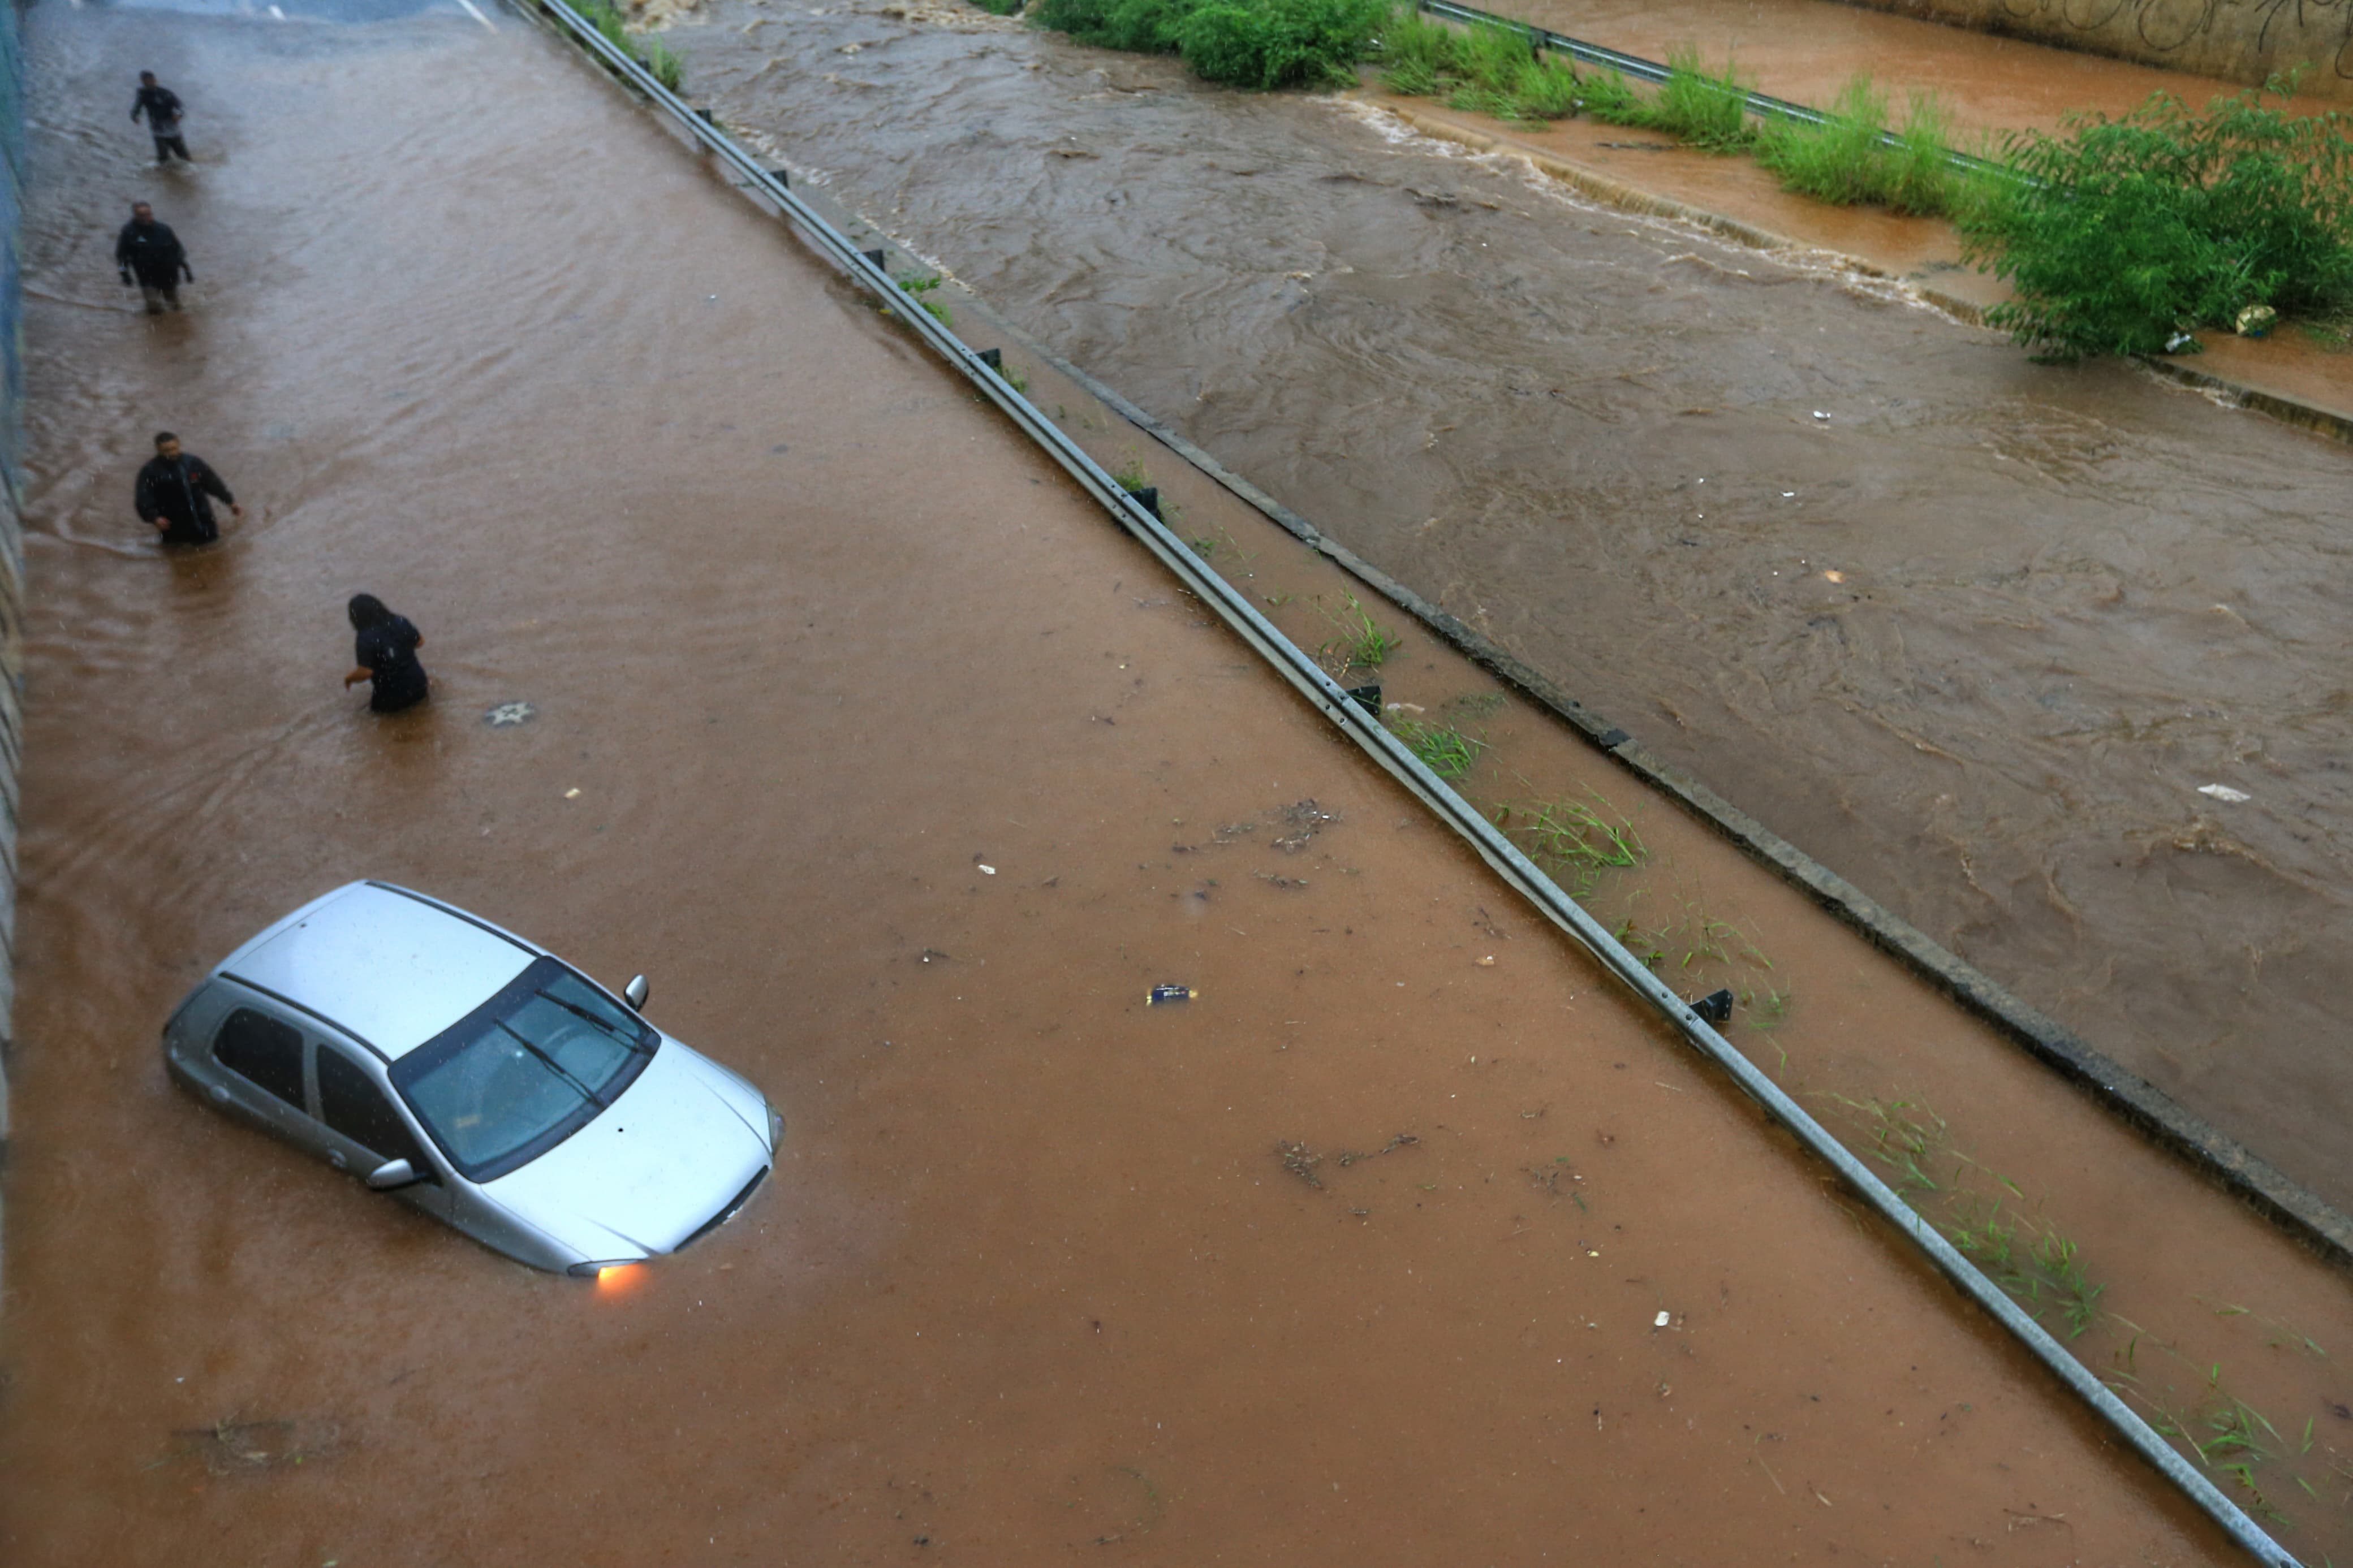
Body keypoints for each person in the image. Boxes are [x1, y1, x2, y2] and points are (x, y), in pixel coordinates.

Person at [133, 431, 241, 545]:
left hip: (203, 519)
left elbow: (213, 484)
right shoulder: (150, 471)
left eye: (174, 448)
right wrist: (154, 518)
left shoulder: (193, 463)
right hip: (173, 525)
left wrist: (230, 502)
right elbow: (143, 498)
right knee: (178, 555)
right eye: (166, 450)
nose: (172, 453)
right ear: (158, 450)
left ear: (179, 445)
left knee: (214, 550)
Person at [343, 595, 430, 714]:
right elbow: (420, 642)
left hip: (391, 698)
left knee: (363, 717)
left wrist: (349, 679)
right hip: (420, 686)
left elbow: (366, 672)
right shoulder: (400, 621)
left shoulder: (365, 638)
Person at [115, 202, 193, 314]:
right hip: (146, 276)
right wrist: (124, 274)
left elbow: (178, 251)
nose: (145, 218)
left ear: (152, 214)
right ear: (135, 216)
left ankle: (177, 323)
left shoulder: (164, 230)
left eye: (148, 214)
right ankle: (159, 326)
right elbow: (122, 256)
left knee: (173, 303)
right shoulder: (129, 233)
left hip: (168, 274)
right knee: (153, 306)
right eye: (141, 215)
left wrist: (187, 271)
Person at [132, 72, 190, 165]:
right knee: (163, 159)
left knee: (184, 158)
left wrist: (178, 115)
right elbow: (137, 107)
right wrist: (135, 116)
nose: (148, 83)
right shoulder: (142, 94)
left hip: (172, 128)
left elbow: (181, 106)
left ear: (155, 80)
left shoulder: (165, 93)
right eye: (145, 82)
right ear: (143, 82)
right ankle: (167, 176)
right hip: (157, 129)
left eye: (150, 81)